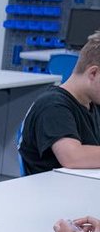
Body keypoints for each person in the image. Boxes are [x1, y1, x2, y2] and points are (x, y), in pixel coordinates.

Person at [19, 31, 100, 175]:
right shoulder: (53, 106)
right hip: (51, 193)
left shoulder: (93, 102)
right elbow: (72, 157)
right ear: (93, 73)